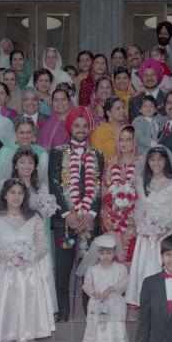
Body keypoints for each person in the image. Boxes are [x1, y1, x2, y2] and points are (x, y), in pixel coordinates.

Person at [0, 179, 56, 342]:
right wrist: (6, 256)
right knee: (5, 316)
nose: (16, 197)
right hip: (4, 273)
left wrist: (29, 255)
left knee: (27, 315)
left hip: (28, 275)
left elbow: (42, 245)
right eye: (12, 192)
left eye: (20, 193)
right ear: (4, 195)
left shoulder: (34, 218)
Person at [48, 106, 104, 321]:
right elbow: (54, 186)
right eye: (76, 125)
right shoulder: (57, 152)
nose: (80, 129)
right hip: (65, 223)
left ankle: (90, 310)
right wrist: (67, 214)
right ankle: (62, 311)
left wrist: (90, 213)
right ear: (70, 127)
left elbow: (98, 186)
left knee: (90, 267)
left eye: (84, 125)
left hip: (89, 222)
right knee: (63, 267)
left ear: (89, 128)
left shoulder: (97, 155)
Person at [126, 147, 172, 307]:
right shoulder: (141, 180)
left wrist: (168, 228)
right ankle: (145, 302)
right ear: (147, 162)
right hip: (147, 232)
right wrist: (141, 226)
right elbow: (140, 207)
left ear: (166, 160)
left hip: (169, 231)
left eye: (160, 158)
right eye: (152, 159)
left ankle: (168, 302)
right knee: (145, 269)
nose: (156, 162)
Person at [79, 233, 129, 342]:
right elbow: (86, 285)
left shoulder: (120, 269)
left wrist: (112, 289)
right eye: (102, 253)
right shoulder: (92, 270)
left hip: (114, 306)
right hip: (98, 305)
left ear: (114, 252)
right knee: (98, 337)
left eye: (109, 252)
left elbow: (124, 284)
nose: (106, 256)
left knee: (114, 336)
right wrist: (94, 293)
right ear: (97, 253)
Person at [99, 125, 141, 263]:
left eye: (128, 139)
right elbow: (104, 189)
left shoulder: (141, 162)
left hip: (135, 220)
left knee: (133, 257)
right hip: (113, 219)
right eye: (121, 140)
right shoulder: (111, 163)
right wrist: (114, 212)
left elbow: (145, 191)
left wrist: (132, 212)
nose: (125, 143)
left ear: (134, 141)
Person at [0, 116, 49, 186]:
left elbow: (44, 181)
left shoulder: (41, 153)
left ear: (33, 133)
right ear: (16, 133)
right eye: (21, 132)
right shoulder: (6, 151)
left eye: (28, 132)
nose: (25, 136)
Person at [91, 96, 128, 160]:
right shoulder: (100, 130)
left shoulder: (127, 128)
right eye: (118, 108)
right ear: (109, 113)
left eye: (123, 108)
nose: (122, 111)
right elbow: (97, 155)